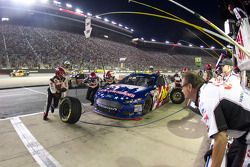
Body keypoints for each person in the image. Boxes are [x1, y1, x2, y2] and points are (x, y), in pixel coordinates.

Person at [182, 72, 250, 167]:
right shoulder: (208, 89)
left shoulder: (205, 99)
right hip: (243, 133)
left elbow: (221, 138)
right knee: (229, 158)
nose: (181, 90)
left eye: (182, 86)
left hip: (247, 134)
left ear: (189, 87)